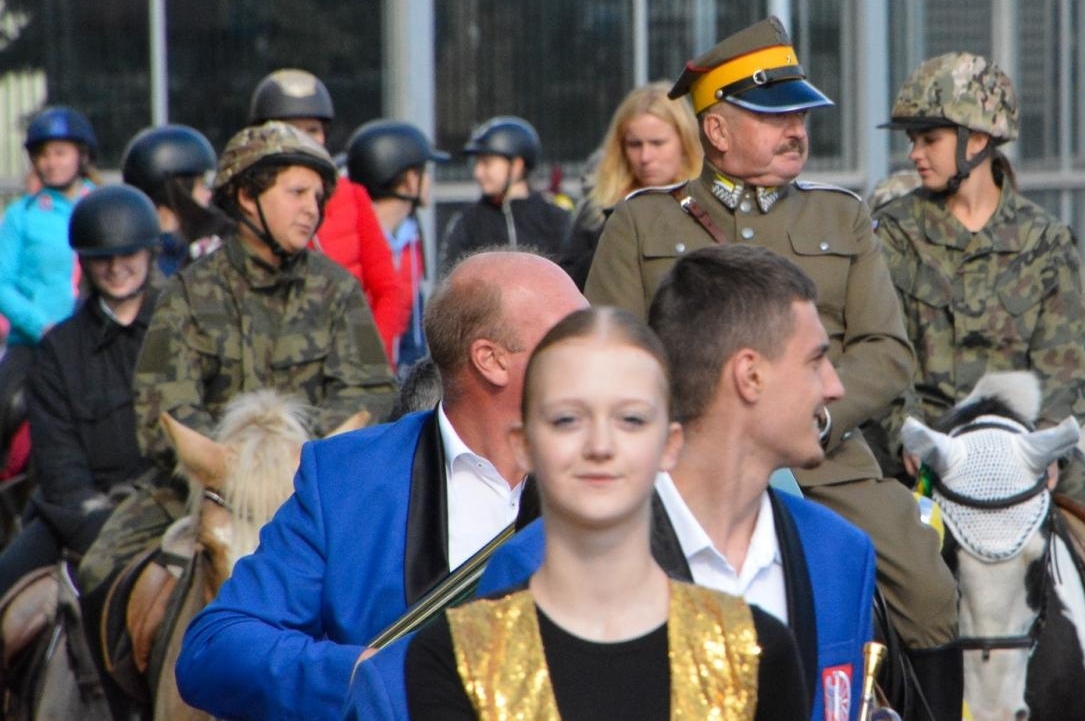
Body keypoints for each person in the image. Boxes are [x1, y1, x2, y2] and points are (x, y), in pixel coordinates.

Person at [585, 17, 960, 719]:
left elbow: (887, 351)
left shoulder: (841, 217)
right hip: (684, 467)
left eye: (801, 115)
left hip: (825, 459)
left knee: (930, 591)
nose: (797, 129)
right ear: (717, 131)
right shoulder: (643, 223)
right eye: (774, 115)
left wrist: (811, 418)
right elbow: (607, 352)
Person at [452, 246, 878, 721]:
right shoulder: (535, 565)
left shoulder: (840, 551)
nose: (835, 387)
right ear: (750, 375)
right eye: (816, 360)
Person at [176, 250, 585, 721]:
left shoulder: (630, 474)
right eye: (571, 335)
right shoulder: (345, 478)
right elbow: (216, 647)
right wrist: (363, 676)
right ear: (491, 360)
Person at [352, 306, 810, 721]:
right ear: (525, 445)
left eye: (631, 419)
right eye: (567, 419)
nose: (599, 446)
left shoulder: (752, 648)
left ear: (670, 446)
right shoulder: (455, 655)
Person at [873, 52, 1085, 629]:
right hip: (923, 449)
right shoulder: (892, 236)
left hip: (1022, 451)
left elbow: (1071, 364)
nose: (914, 154)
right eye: (913, 139)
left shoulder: (1045, 240)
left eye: (928, 138)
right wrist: (903, 433)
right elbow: (879, 351)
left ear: (978, 140)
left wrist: (1043, 449)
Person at [77, 122, 395, 596]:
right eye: (298, 192)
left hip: (315, 492)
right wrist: (234, 466)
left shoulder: (338, 291)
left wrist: (292, 457)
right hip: (203, 489)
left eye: (318, 197)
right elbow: (160, 410)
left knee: (394, 578)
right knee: (98, 573)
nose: (313, 208)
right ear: (248, 196)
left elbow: (370, 393)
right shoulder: (187, 293)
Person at [0, 186, 160, 597]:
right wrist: (96, 516)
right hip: (80, 516)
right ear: (84, 264)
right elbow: (57, 457)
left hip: (172, 508)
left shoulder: (183, 330)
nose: (116, 267)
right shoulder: (58, 349)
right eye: (102, 257)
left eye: (128, 255)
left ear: (149, 254)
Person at [249, 68, 409, 360]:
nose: (305, 140)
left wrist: (367, 350)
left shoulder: (352, 196)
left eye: (313, 130)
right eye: (291, 129)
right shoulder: (248, 203)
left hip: (351, 361)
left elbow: (389, 290)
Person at [564, 82, 703, 287]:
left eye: (657, 143)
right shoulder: (597, 208)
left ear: (685, 142)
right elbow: (571, 282)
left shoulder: (708, 201)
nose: (645, 157)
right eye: (634, 144)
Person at [345, 119, 449, 369]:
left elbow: (414, 322)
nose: (429, 182)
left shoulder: (408, 236)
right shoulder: (353, 240)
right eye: (424, 172)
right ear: (410, 179)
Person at [0, 105, 98, 353]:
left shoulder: (103, 206)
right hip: (33, 344)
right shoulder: (20, 215)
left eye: (60, 153)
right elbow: (3, 285)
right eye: (43, 155)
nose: (51, 163)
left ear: (82, 155)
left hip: (94, 341)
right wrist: (41, 327)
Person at [438, 116, 575, 274]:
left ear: (517, 165)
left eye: (487, 163)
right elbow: (451, 277)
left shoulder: (554, 219)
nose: (478, 173)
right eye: (477, 164)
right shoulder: (469, 222)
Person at [121, 123, 229, 275]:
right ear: (177, 189)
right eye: (201, 185)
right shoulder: (139, 258)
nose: (208, 194)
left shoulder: (213, 246)